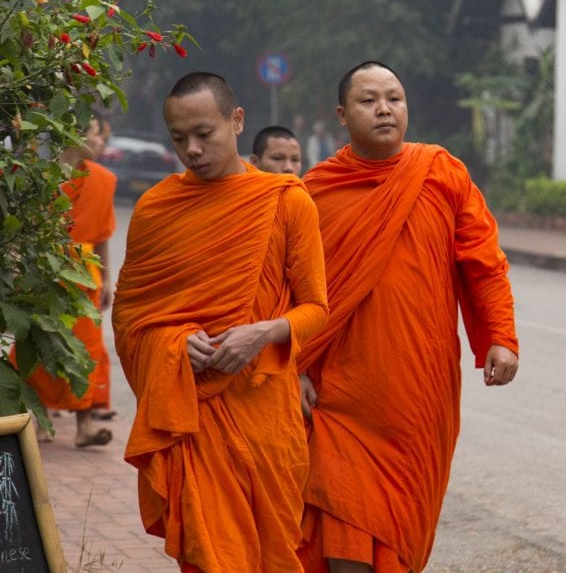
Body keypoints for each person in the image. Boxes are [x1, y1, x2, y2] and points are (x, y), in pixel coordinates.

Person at [297, 61, 519, 573]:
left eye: (394, 98)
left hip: (418, 390)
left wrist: (500, 338)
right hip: (339, 394)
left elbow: (484, 263)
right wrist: (297, 365)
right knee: (340, 516)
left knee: (401, 529)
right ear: (341, 114)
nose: (383, 110)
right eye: (368, 100)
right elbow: (288, 288)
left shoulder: (441, 172)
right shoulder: (314, 192)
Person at [112, 71, 329, 571]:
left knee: (271, 552)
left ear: (236, 121)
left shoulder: (286, 200)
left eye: (203, 134)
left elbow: (316, 309)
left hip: (264, 417)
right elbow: (130, 317)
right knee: (213, 556)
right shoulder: (156, 208)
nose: (192, 149)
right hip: (192, 415)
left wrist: (263, 332)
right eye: (179, 138)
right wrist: (172, 343)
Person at [26, 116, 116, 447]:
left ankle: (86, 423)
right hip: (42, 270)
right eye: (97, 134)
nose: (102, 142)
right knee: (35, 344)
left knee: (88, 349)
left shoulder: (103, 179)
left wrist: (106, 279)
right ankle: (36, 418)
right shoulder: (39, 178)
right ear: (74, 135)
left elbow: (103, 235)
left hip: (83, 275)